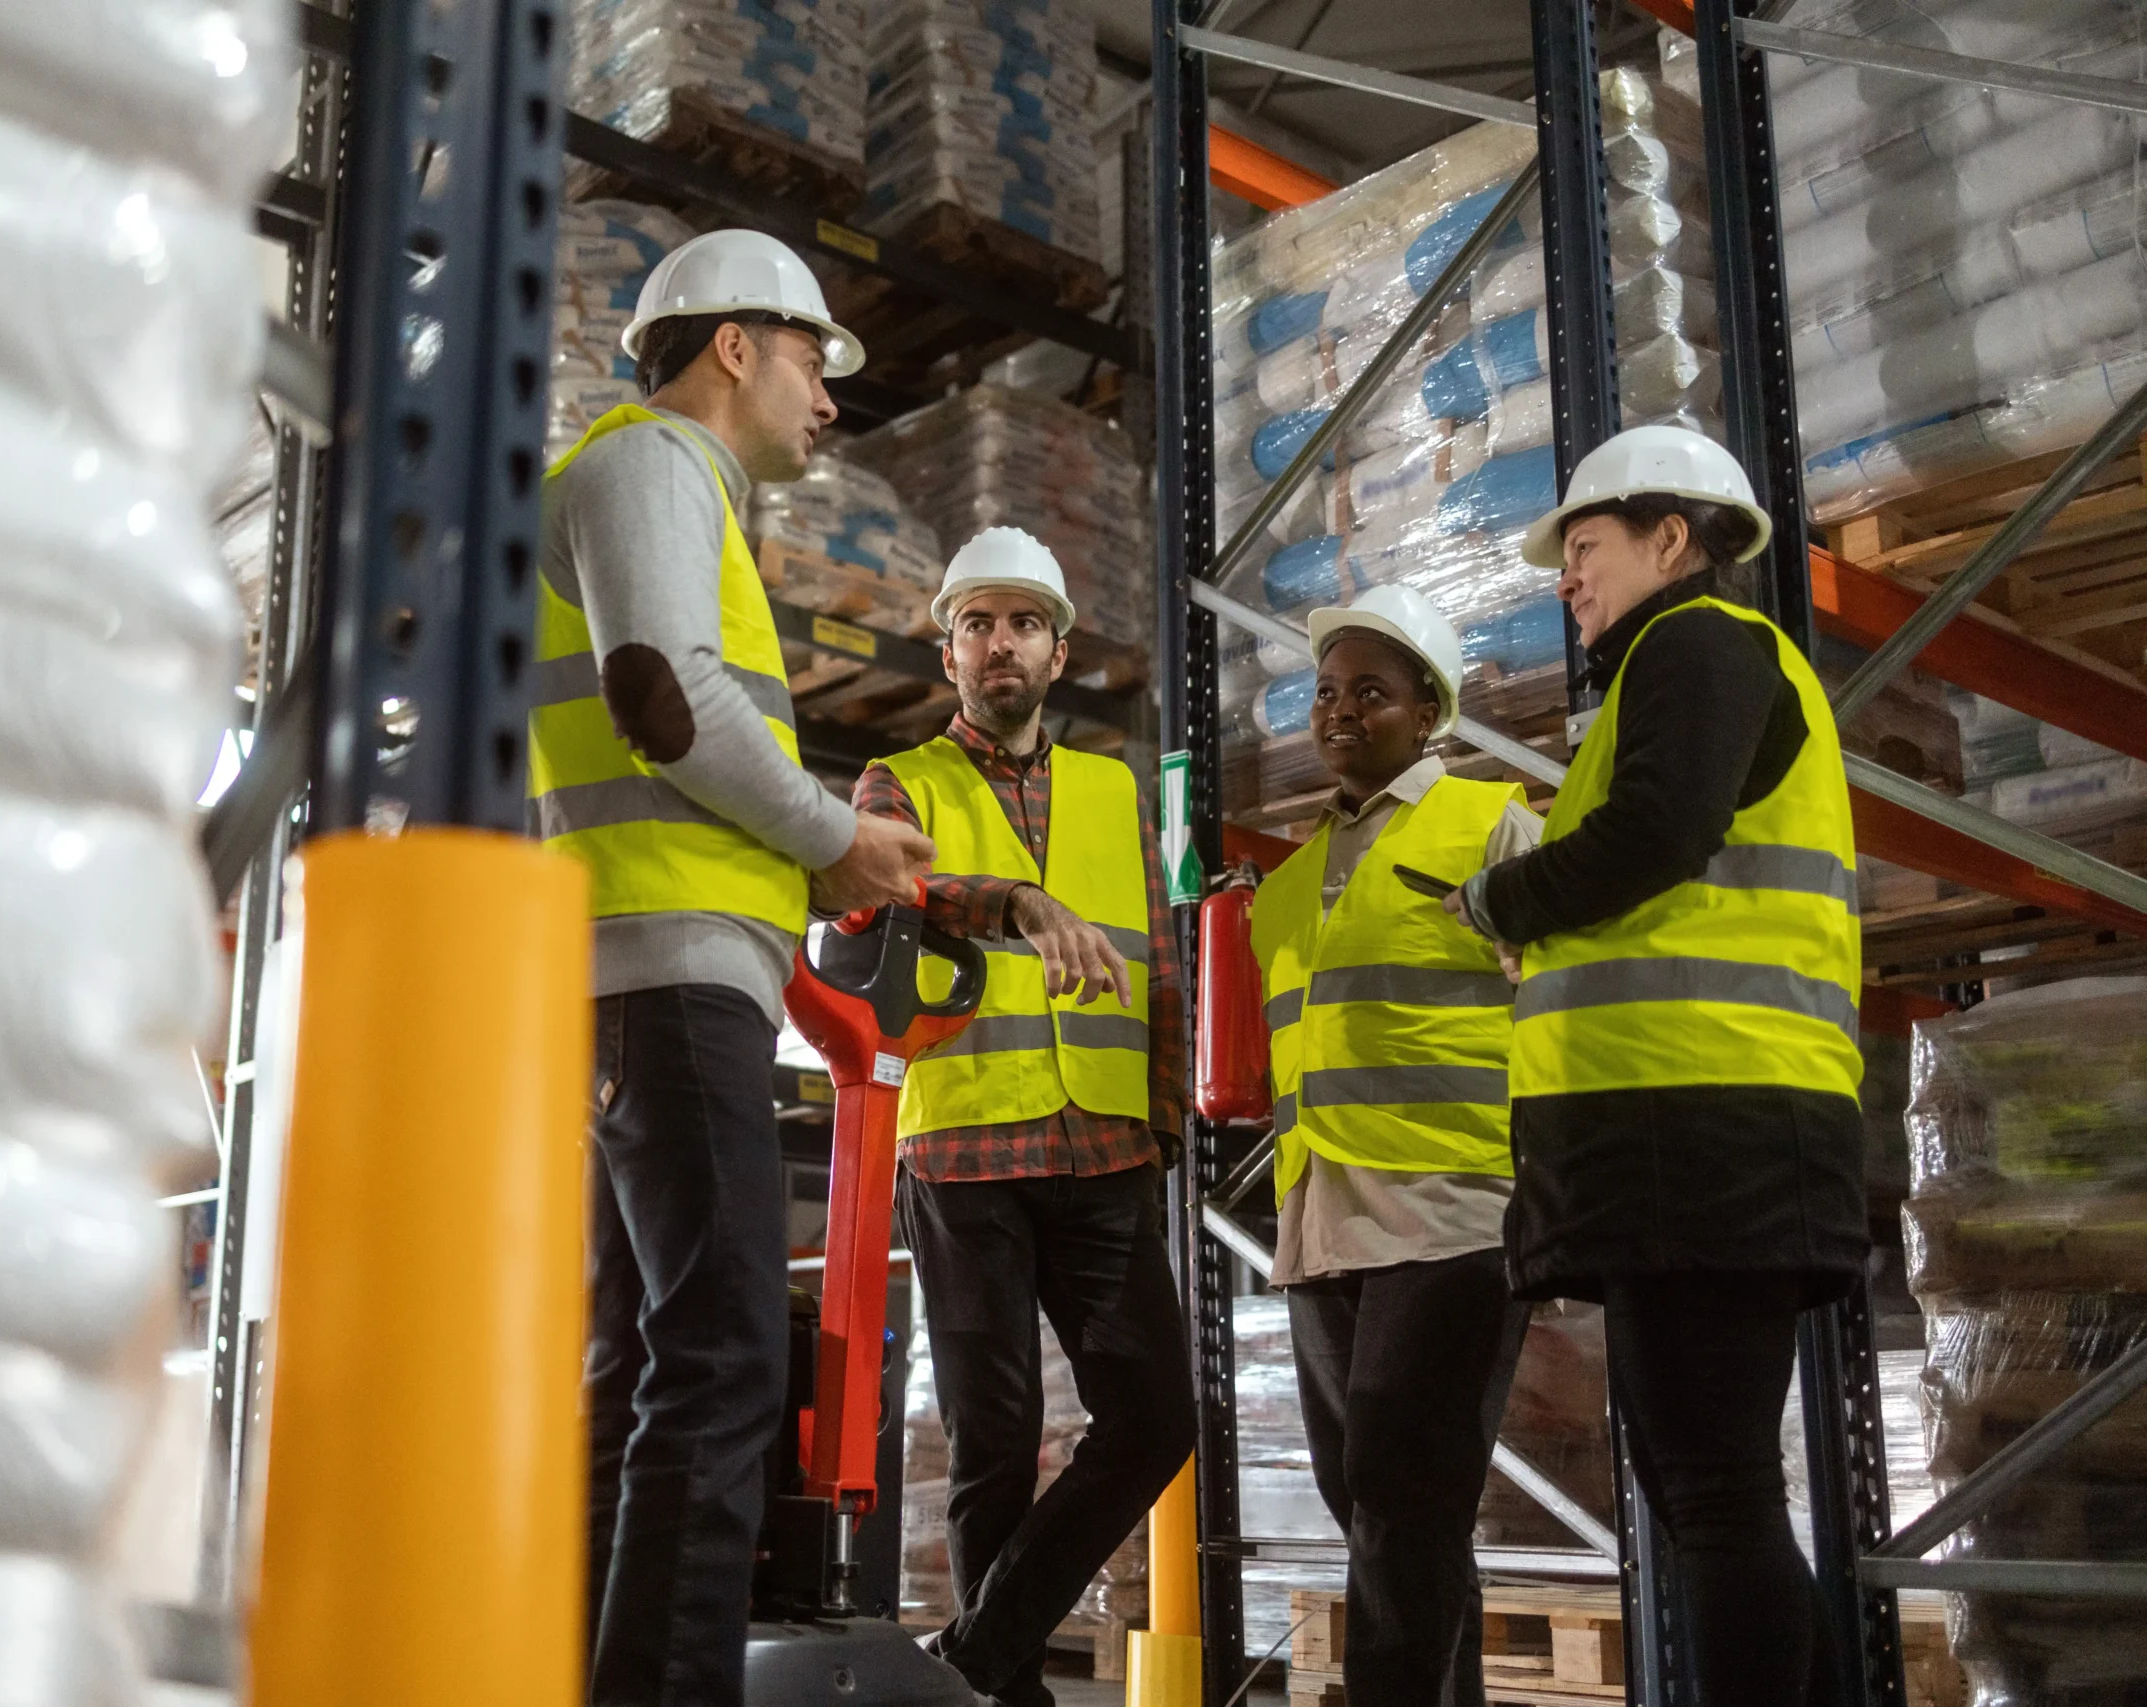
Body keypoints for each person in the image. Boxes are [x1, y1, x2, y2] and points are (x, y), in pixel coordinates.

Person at [530, 228, 936, 1707]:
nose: (829, 401)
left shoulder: (658, 484)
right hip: (670, 970)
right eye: (818, 359)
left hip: (646, 976)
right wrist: (831, 836)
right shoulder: (651, 464)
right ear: (736, 344)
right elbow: (662, 694)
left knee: (644, 1363)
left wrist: (835, 838)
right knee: (717, 1366)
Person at [1454, 424, 1868, 1707]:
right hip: (1691, 1131)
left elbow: (1658, 831)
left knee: (1713, 1492)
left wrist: (1498, 902)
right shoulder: (1680, 672)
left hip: (1704, 1126)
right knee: (1712, 1492)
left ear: (1671, 540)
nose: (1566, 580)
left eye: (1583, 549)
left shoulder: (1699, 643)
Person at [850, 527, 1195, 1707]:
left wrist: (1164, 1121)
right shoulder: (902, 784)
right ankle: (1004, 1688)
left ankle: (983, 1655)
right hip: (963, 1143)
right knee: (990, 1437)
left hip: (1103, 1142)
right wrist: (1014, 900)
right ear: (947, 651)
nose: (1002, 645)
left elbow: (1157, 964)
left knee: (1154, 1416)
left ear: (1060, 651)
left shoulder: (1112, 790)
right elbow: (897, 884)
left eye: (1024, 624)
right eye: (977, 624)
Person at [1246, 584, 1540, 1707]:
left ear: (1431, 715)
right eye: (1325, 692)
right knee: (1367, 1498)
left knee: (1400, 1486)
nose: (1337, 710)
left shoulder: (1491, 826)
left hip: (1454, 1208)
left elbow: (1558, 1002)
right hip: (1322, 1218)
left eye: (1369, 691)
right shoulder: (1279, 889)